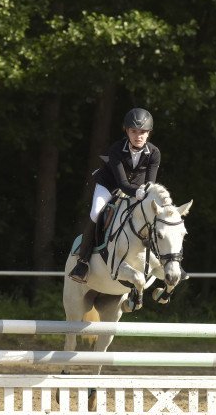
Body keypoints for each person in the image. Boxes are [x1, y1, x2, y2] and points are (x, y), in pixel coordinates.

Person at [68, 107, 161, 283]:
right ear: (126, 131)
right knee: (96, 212)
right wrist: (140, 192)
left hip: (137, 188)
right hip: (110, 185)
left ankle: (165, 260)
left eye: (142, 132)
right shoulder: (117, 149)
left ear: (149, 133)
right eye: (133, 131)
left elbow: (151, 184)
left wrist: (146, 193)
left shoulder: (154, 153)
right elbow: (122, 184)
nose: (138, 136)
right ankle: (83, 262)